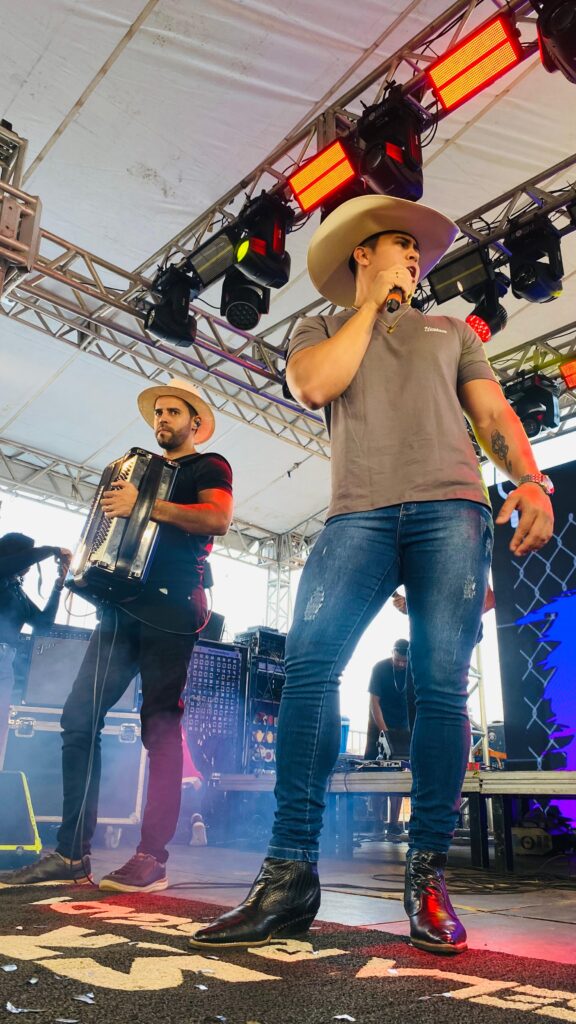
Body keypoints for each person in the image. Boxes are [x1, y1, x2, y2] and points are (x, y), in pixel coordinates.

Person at [189, 194, 554, 956]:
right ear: (362, 252)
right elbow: (315, 385)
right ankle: (289, 873)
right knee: (310, 667)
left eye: (419, 252)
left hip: (451, 510)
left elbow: (492, 415)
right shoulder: (319, 326)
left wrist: (530, 479)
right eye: (400, 245)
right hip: (356, 512)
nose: (414, 258)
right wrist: (371, 307)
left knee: (441, 684)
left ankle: (426, 874)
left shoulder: (451, 331)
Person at [0, 377, 233, 893]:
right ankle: (71, 853)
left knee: (159, 729)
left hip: (171, 610)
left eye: (174, 412)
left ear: (195, 422)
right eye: (159, 413)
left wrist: (143, 505)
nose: (163, 419)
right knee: (77, 718)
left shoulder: (208, 466)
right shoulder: (139, 471)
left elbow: (218, 519)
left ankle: (153, 856)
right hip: (120, 611)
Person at [0, 534, 71, 768]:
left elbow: (43, 624)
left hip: (5, 665)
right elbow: (21, 560)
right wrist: (52, 549)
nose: (29, 565)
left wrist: (58, 587)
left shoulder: (16, 590)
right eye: (26, 557)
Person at [364, 638, 411, 839]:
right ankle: (377, 820)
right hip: (378, 724)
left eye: (404, 661)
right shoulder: (380, 669)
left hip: (402, 727)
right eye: (397, 659)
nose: (400, 664)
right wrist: (384, 732)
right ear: (392, 653)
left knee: (398, 774)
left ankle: (393, 824)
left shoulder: (413, 670)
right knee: (377, 773)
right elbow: (374, 702)